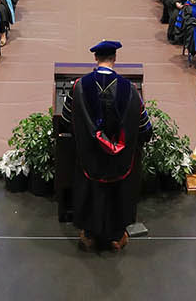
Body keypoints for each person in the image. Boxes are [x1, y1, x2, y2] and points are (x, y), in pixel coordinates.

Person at [66, 39, 153, 252]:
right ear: (115, 58)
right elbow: (144, 126)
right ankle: (117, 236)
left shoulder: (79, 86)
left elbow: (68, 119)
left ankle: (88, 235)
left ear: (96, 58)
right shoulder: (130, 89)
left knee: (91, 190)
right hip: (119, 158)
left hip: (90, 156)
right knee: (116, 193)